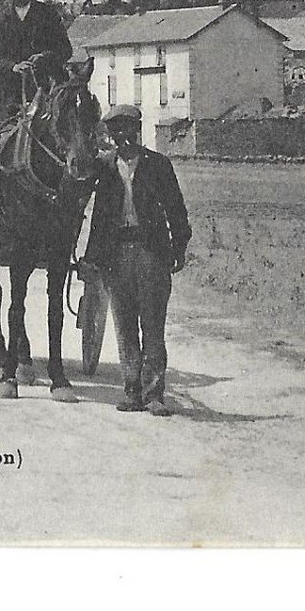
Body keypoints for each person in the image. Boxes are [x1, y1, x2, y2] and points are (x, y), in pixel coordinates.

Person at [84, 104, 192, 416]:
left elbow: (176, 209)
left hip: (151, 253)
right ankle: (131, 392)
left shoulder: (158, 165)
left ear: (137, 130)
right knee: (125, 325)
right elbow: (99, 217)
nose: (122, 136)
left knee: (153, 324)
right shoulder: (104, 169)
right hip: (116, 254)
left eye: (127, 129)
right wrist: (93, 258)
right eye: (115, 131)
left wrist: (179, 247)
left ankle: (154, 394)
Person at [0, 0, 72, 114]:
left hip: (49, 90)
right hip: (14, 96)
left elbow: (66, 50)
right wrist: (14, 67)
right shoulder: (1, 19)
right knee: (12, 135)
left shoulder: (47, 14)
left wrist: (44, 56)